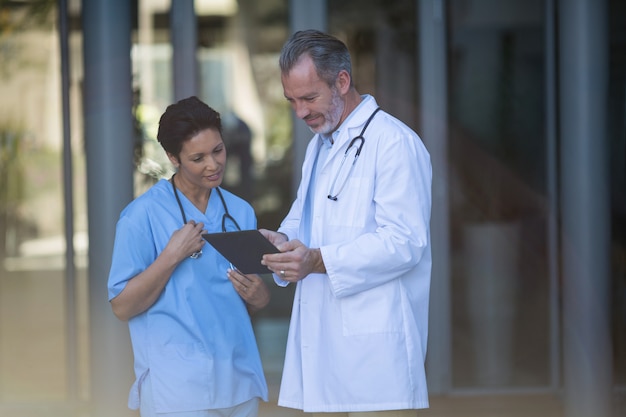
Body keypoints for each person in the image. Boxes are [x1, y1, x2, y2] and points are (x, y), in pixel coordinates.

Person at [260, 30, 432, 416]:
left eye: (309, 98)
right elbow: (305, 217)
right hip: (326, 350)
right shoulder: (319, 145)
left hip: (376, 357)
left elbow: (404, 242)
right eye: (291, 101)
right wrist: (282, 240)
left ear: (342, 81)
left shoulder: (394, 143)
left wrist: (318, 260)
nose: (300, 112)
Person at [107, 96, 270, 417]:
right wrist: (172, 255)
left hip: (238, 381)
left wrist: (259, 295)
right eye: (198, 158)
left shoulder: (240, 212)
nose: (213, 164)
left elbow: (251, 300)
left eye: (218, 150)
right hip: (178, 388)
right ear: (172, 157)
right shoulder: (141, 217)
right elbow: (122, 307)